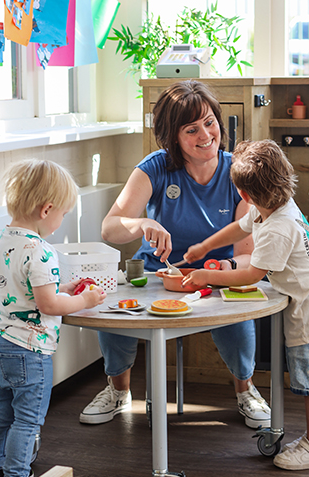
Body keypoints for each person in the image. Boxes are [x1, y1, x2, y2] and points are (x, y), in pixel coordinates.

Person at [79, 80, 271, 429]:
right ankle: (118, 390)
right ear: (172, 136)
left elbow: (247, 256)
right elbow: (110, 229)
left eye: (210, 122)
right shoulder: (154, 168)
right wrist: (140, 225)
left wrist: (222, 267)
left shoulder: (237, 172)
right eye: (191, 129)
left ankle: (246, 390)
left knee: (240, 318)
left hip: (217, 278)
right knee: (113, 309)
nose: (205, 135)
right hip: (157, 276)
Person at [181, 139, 309, 470]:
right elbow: (237, 228)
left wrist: (204, 277)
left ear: (244, 195)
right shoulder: (275, 207)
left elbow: (251, 275)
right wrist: (204, 247)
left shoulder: (277, 229)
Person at [0, 159, 106, 477]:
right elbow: (49, 305)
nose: (62, 220)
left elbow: (29, 293)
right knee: (27, 419)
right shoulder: (41, 251)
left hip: (1, 341)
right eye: (63, 213)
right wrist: (84, 300)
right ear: (46, 209)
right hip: (30, 350)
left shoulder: (5, 240)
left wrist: (63, 288)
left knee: (1, 409)